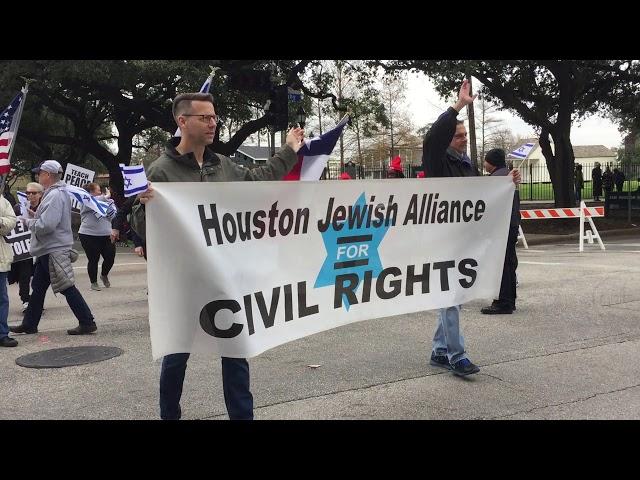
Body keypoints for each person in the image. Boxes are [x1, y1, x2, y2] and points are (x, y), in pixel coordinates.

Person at [131, 92, 304, 420]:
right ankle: (169, 414)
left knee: (236, 353)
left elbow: (258, 182)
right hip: (182, 283)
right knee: (176, 357)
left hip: (224, 279)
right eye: (204, 118)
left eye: (214, 117)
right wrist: (144, 206)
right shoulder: (160, 171)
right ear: (182, 121)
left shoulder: (222, 165)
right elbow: (142, 227)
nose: (213, 123)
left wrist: (289, 150)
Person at [422, 79, 520, 377]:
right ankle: (456, 355)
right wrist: (457, 107)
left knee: (455, 297)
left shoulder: (466, 164)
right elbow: (432, 139)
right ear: (448, 139)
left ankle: (440, 350)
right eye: (458, 135)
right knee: (450, 297)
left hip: (463, 240)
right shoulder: (438, 162)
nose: (464, 138)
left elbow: (480, 198)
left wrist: (505, 184)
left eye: (465, 134)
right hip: (443, 240)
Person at [9, 160, 97, 336]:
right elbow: (49, 219)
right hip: (48, 248)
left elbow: (47, 225)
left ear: (48, 175)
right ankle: (30, 324)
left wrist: (28, 221)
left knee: (66, 286)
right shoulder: (56, 193)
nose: (37, 175)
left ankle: (87, 322)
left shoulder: (54, 195)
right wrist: (37, 216)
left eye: (39, 172)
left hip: (53, 249)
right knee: (39, 289)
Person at [480, 149, 520, 315]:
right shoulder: (509, 176)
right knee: (509, 264)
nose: (484, 164)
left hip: (501, 228)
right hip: (512, 225)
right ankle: (509, 300)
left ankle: (502, 302)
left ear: (491, 162)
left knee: (501, 265)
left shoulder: (497, 179)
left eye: (485, 160)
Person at [9, 182, 43, 312]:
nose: (30, 195)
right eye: (28, 193)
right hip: (24, 249)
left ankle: (37, 300)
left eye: (33, 193)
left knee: (40, 277)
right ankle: (26, 300)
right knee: (25, 275)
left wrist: (35, 217)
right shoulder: (18, 208)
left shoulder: (45, 207)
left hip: (41, 246)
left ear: (40, 194)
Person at [78, 182, 117, 291]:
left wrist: (110, 205)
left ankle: (104, 275)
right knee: (93, 259)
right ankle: (94, 282)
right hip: (88, 235)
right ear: (90, 192)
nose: (100, 192)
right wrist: (106, 197)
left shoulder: (104, 201)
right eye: (98, 190)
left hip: (106, 235)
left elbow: (113, 216)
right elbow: (93, 202)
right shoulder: (85, 201)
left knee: (110, 258)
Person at [0, 193, 17, 347]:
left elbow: (11, 221)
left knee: (1, 299)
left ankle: (2, 334)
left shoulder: (2, 201)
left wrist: (0, 222)